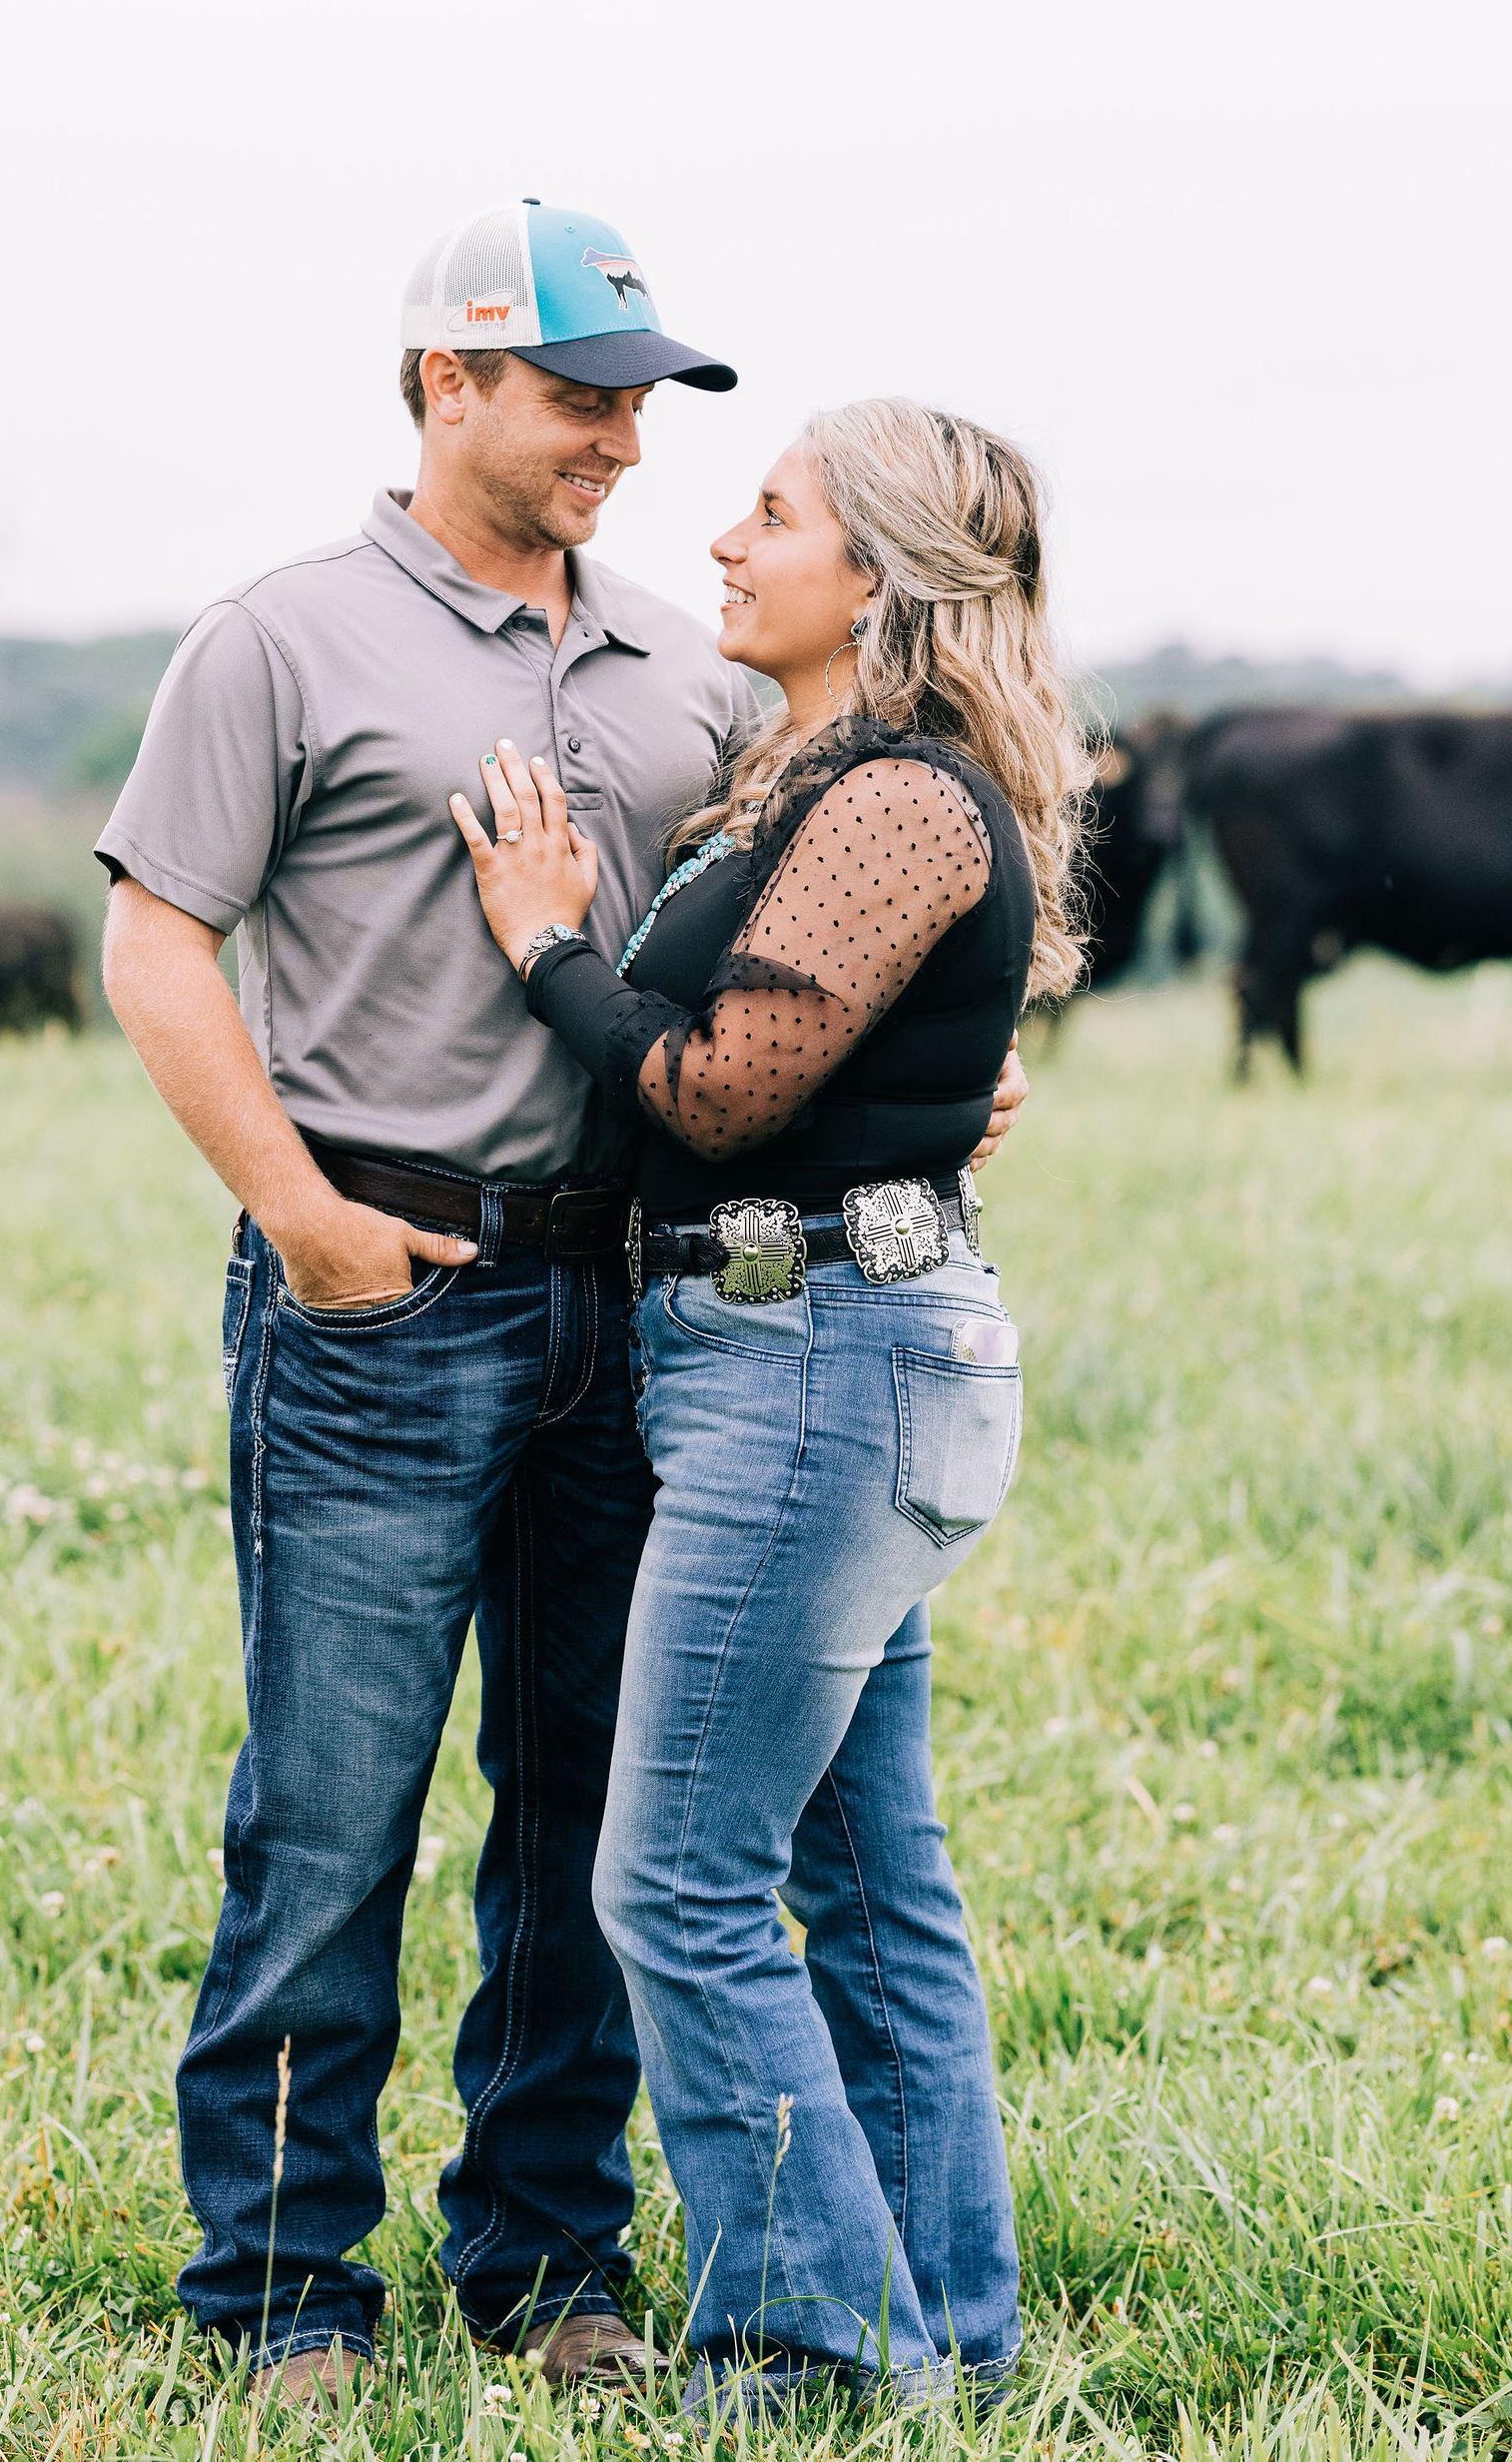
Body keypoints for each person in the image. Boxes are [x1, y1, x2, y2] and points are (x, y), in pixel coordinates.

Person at [94, 204, 1030, 2403]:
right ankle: (284, 2289)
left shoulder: (692, 671)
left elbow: (828, 922)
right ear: (447, 383)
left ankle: (544, 2255)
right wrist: (296, 1212)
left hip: (642, 1311)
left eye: (645, 398)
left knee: (592, 1805)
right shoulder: (279, 641)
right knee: (329, 1811)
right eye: (583, 392)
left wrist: (922, 1095)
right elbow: (158, 946)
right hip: (377, 1291)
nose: (626, 435)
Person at [453, 398, 1086, 2416]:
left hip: (819, 1365)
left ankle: (810, 2342)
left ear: (879, 578)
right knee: (863, 1884)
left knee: (675, 1884)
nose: (721, 540)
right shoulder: (814, 783)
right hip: (808, 1351)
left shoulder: (901, 798)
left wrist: (547, 939)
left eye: (772, 512)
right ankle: (943, 2338)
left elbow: (722, 1089)